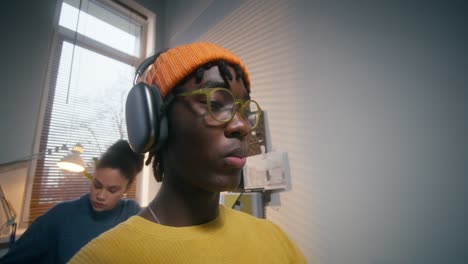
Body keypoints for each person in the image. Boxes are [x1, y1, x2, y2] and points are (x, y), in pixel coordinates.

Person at [70, 42, 306, 263]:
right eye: (215, 103)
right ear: (156, 123)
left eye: (243, 109)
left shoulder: (275, 239)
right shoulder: (102, 258)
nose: (242, 125)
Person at [0, 140, 144, 264]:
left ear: (128, 187)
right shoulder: (61, 215)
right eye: (97, 185)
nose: (100, 195)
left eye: (112, 190)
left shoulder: (131, 213)